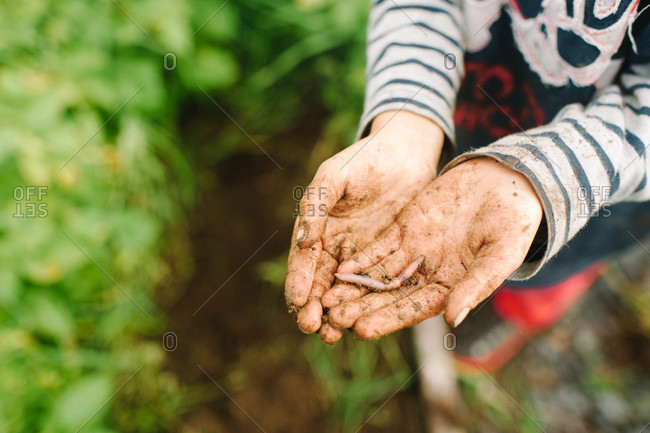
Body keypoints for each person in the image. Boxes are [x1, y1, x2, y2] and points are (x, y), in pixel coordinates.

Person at [285, 0, 650, 370]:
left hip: (594, 198)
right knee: (454, 234)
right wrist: (409, 120)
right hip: (465, 132)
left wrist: (547, 175)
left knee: (547, 274)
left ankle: (518, 311)